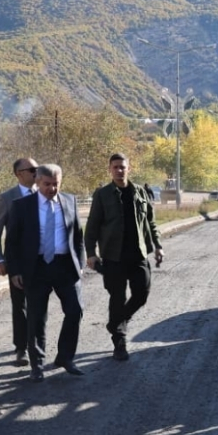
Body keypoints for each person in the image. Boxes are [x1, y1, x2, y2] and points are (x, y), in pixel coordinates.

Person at [1, 164, 86, 381]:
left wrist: (80, 262)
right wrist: (15, 271)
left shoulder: (69, 201)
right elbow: (12, 242)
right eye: (47, 184)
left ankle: (65, 357)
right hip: (35, 267)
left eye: (56, 184)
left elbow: (78, 235)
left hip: (65, 266)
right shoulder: (22, 206)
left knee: (75, 310)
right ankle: (37, 365)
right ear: (38, 182)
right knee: (36, 318)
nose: (52, 189)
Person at [86, 153, 164, 361]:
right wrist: (91, 253)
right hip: (113, 256)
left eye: (122, 167)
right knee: (117, 298)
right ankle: (119, 342)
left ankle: (116, 323)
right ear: (110, 170)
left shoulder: (140, 192)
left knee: (142, 294)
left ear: (129, 169)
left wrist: (157, 246)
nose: (119, 170)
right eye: (115, 167)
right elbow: (92, 226)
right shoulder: (102, 195)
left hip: (138, 254)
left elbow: (151, 222)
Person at [0, 158, 39, 367]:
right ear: (19, 173)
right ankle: (21, 348)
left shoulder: (44, 193)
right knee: (20, 306)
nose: (36, 172)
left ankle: (36, 343)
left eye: (37, 168)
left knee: (38, 304)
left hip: (42, 260)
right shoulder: (6, 198)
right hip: (17, 261)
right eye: (32, 169)